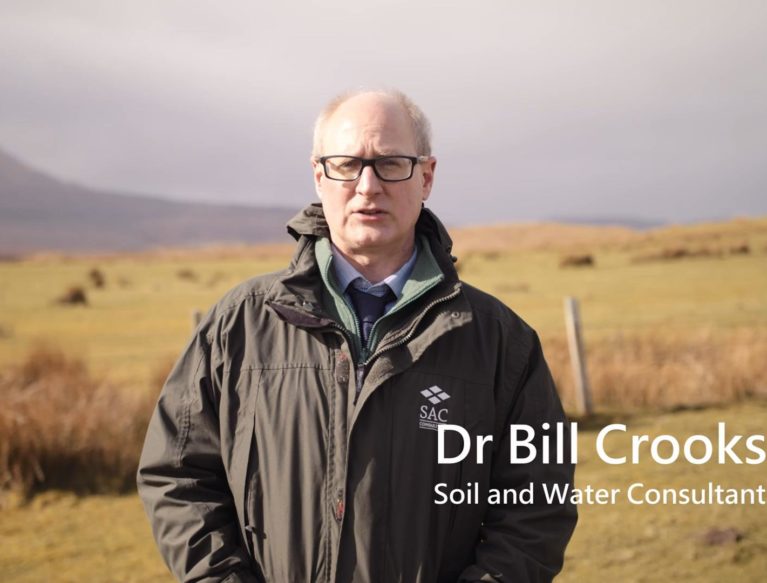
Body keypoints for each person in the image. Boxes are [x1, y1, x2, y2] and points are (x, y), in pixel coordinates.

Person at [137, 89, 577, 583]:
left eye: (391, 164)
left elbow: (537, 506)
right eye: (347, 165)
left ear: (426, 176)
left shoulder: (499, 341)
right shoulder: (239, 325)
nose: (368, 186)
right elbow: (177, 476)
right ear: (319, 175)